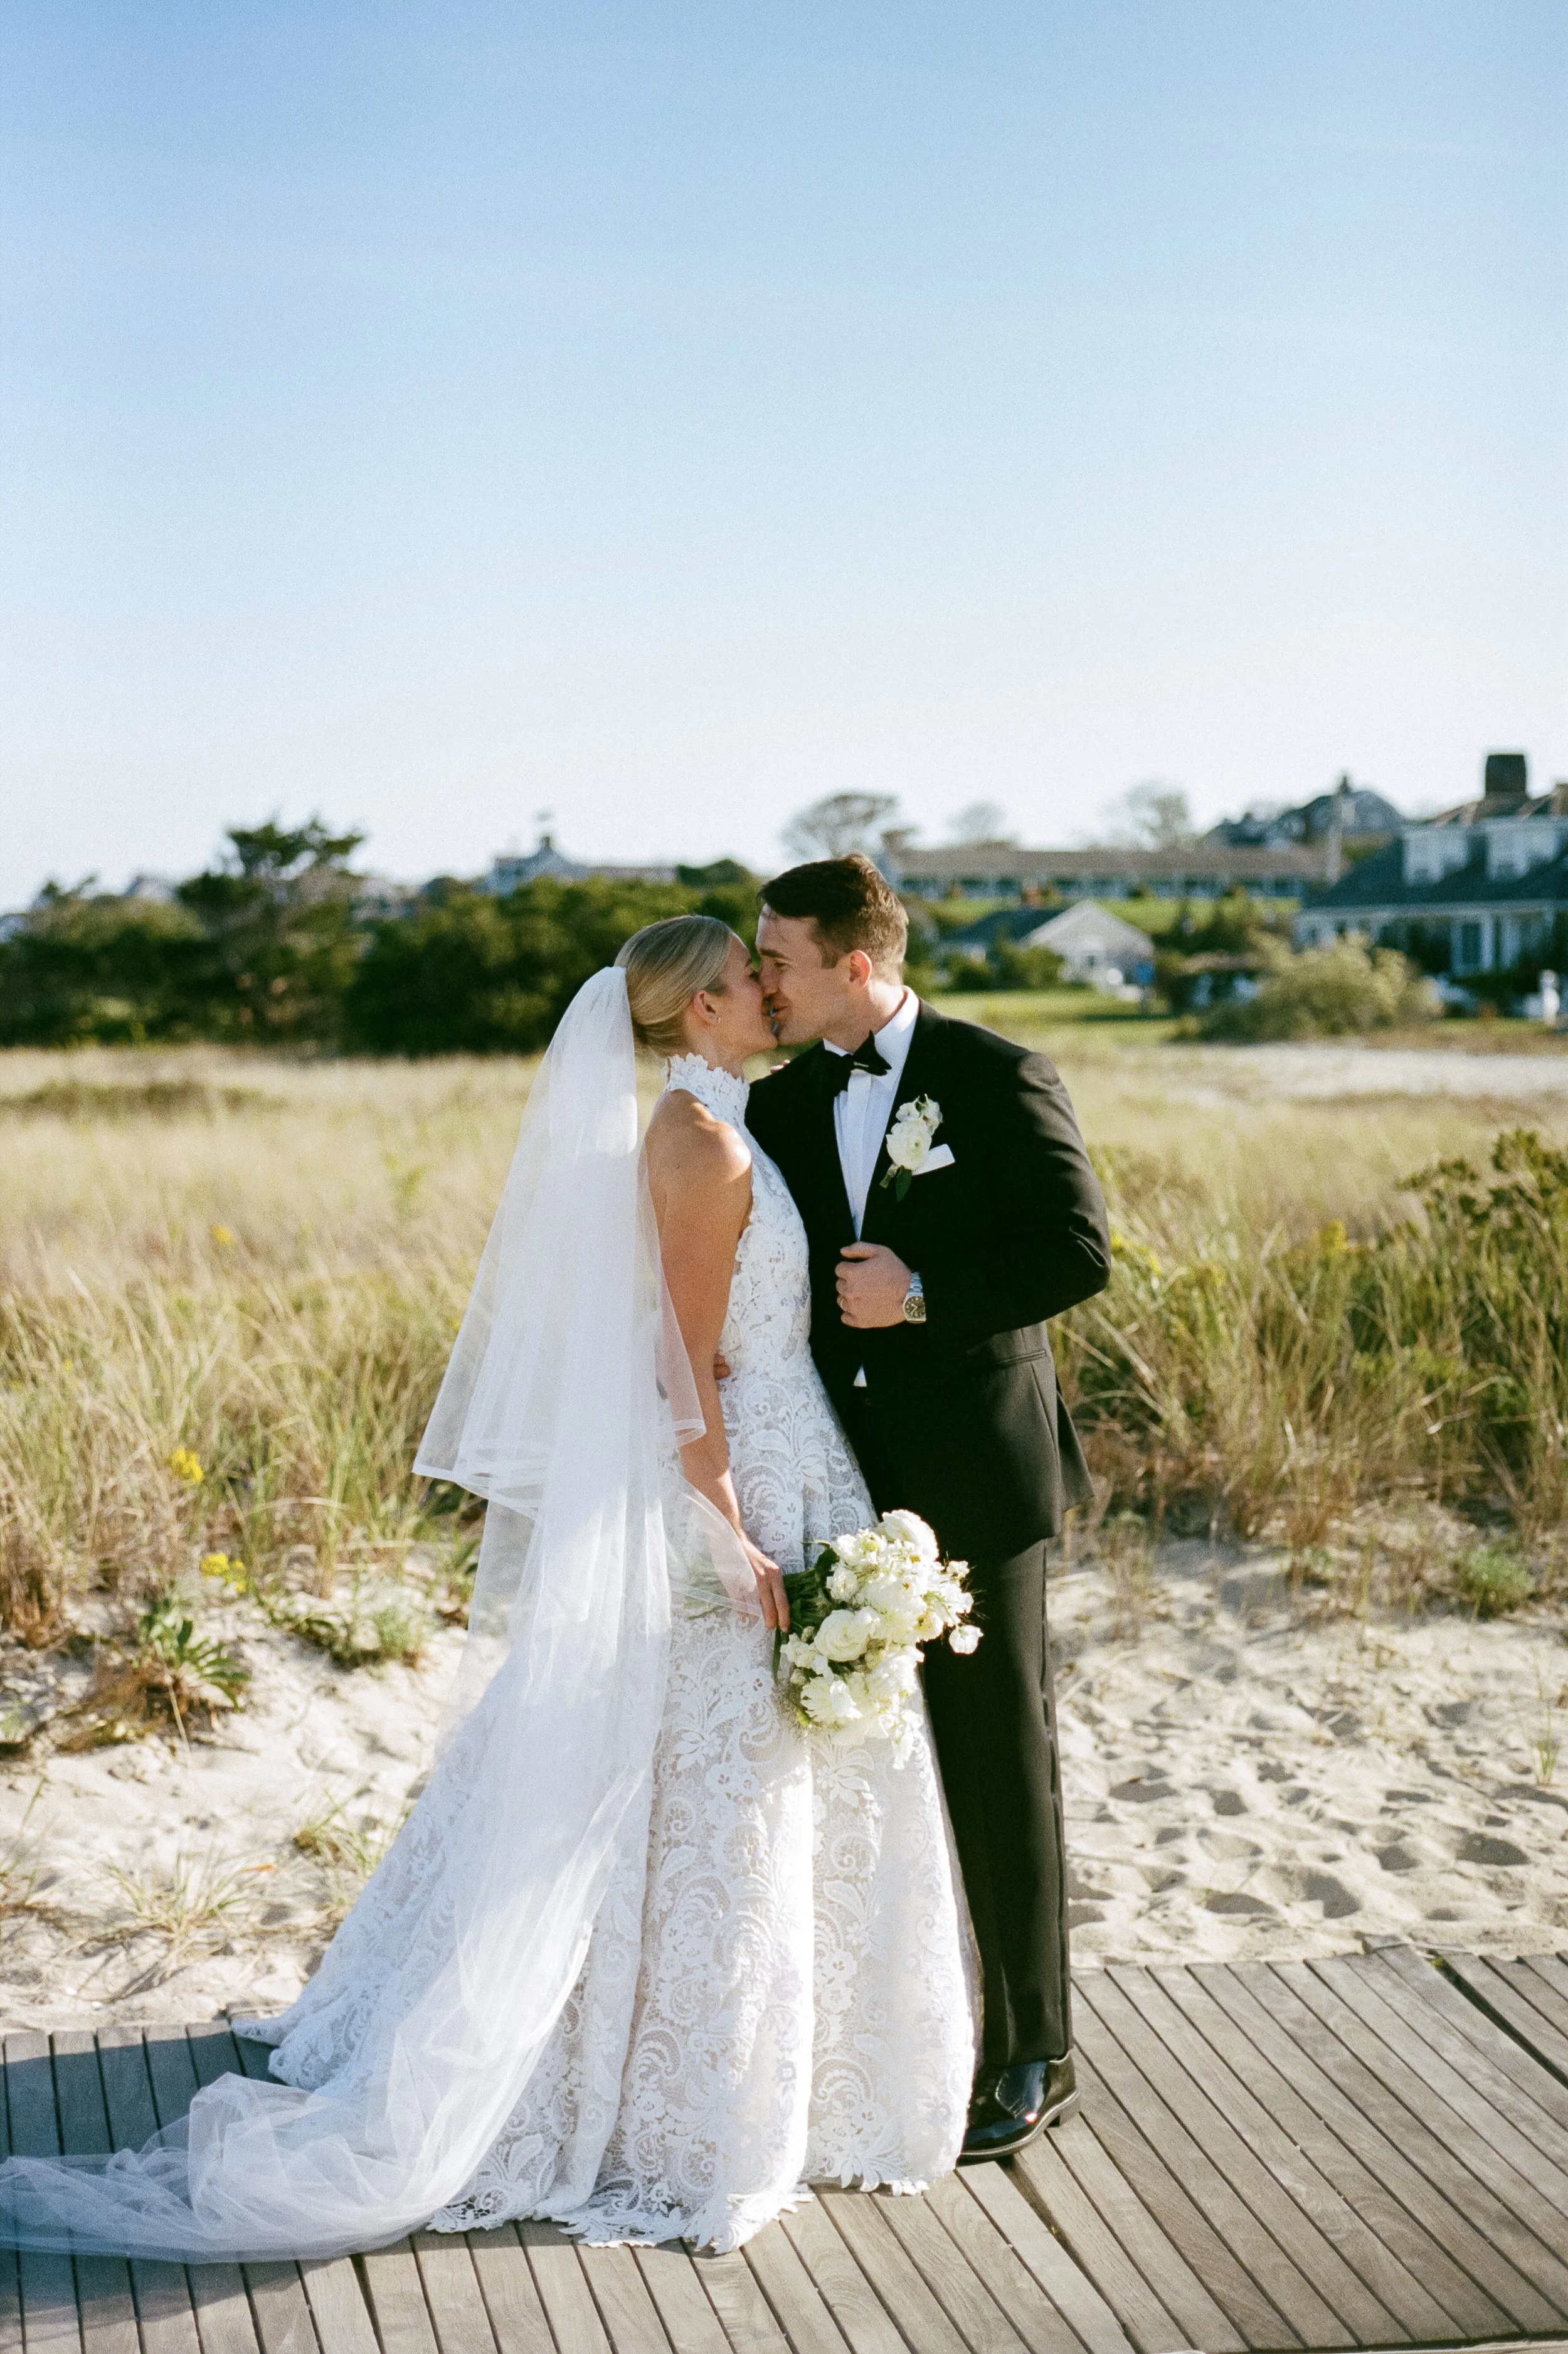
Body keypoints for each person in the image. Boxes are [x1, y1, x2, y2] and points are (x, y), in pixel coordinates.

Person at [0, 920, 972, 2264]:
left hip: (797, 1467)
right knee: (703, 1784)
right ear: (701, 1008)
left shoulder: (731, 1117)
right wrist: (726, 1533)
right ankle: (657, 2101)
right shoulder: (696, 1142)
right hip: (738, 1492)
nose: (771, 986)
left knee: (737, 1788)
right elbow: (682, 1370)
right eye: (752, 976)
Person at [746, 855, 1111, 2160]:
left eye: (776, 957)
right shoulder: (780, 1104)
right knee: (858, 1765)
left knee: (994, 1755)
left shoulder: (996, 1071)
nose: (759, 979)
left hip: (973, 1477)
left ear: (854, 963)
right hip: (833, 1475)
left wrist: (919, 1293)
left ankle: (1036, 2051)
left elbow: (1076, 1249)